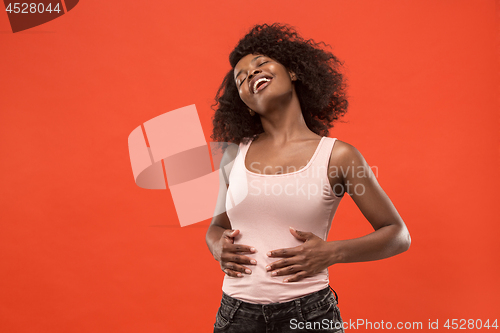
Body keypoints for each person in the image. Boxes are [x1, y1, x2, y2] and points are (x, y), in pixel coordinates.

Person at [206, 23, 411, 333]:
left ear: (293, 73)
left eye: (260, 63)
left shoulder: (338, 156)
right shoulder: (233, 156)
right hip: (236, 316)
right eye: (241, 78)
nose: (250, 74)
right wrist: (217, 247)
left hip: (309, 314)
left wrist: (334, 252)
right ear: (244, 105)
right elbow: (216, 228)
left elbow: (398, 234)